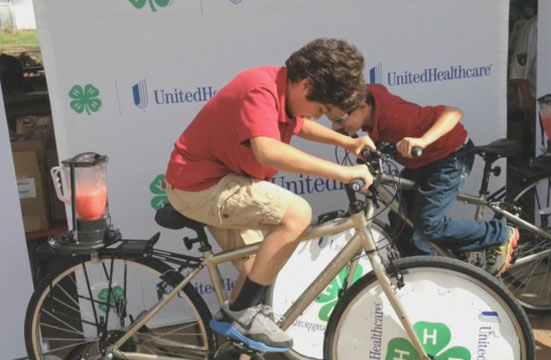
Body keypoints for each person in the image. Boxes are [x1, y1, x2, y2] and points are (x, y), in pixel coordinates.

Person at [163, 38, 373, 352]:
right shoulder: (258, 90)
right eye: (321, 109)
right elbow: (267, 150)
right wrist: (343, 171)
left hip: (218, 180)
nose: (318, 116)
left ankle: (234, 337)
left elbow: (299, 124)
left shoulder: (280, 89)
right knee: (297, 214)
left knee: (256, 277)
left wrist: (347, 143)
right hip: (200, 186)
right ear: (306, 85)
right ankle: (240, 313)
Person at [331, 84, 519, 277]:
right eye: (332, 121)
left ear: (363, 107)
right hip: (422, 162)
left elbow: (454, 112)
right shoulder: (366, 103)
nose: (336, 127)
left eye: (340, 120)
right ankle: (425, 272)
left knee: (429, 224)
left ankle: (500, 234)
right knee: (402, 222)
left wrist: (423, 140)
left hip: (450, 156)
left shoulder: (395, 115)